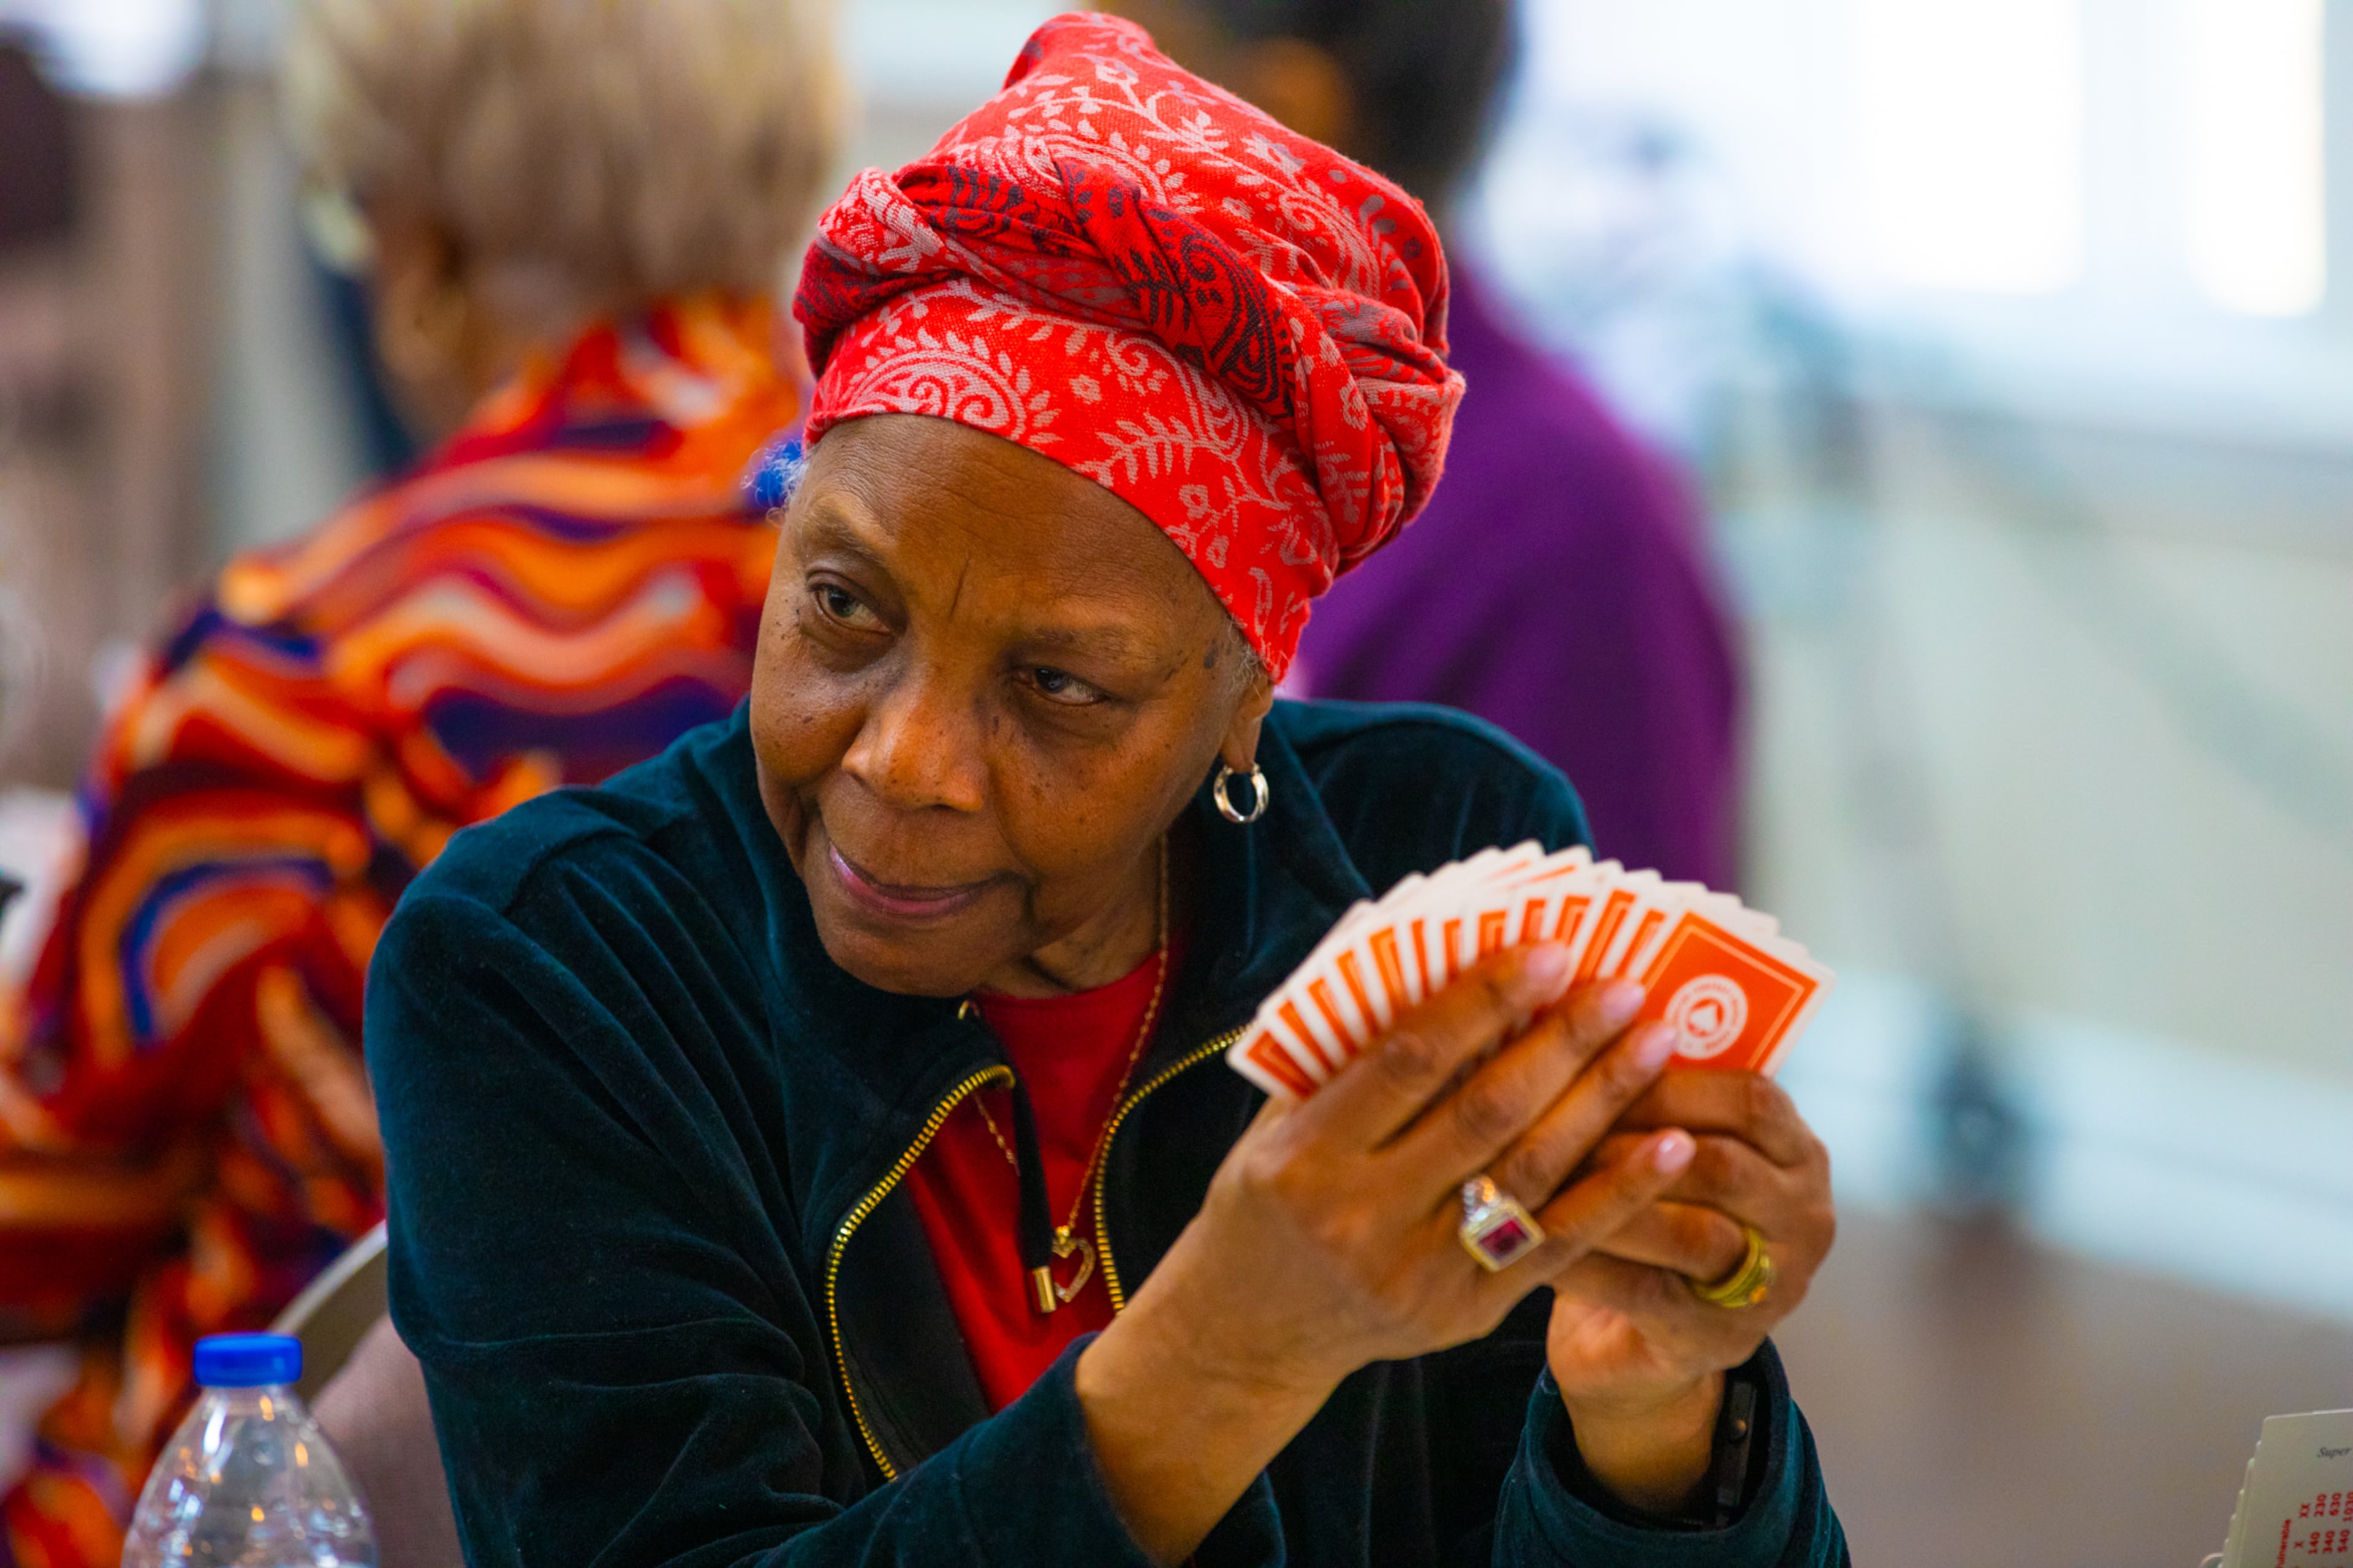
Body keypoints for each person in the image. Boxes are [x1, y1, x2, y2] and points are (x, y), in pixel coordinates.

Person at [368, 17, 1843, 1566]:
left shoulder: (1439, 851)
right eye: (845, 611)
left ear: (1243, 705)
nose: (901, 761)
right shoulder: (551, 967)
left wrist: (1655, 1423)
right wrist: (1226, 1350)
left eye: (1060, 689)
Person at [0, 1, 838, 1559]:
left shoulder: (323, 660)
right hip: (842, 1482)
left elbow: (31, 1221)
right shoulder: (928, 587)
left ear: (422, 246)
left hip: (343, 1504)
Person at [1106, 0, 1746, 892]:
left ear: (1275, 110)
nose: (1048, 122)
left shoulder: (1571, 526)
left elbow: (1612, 993)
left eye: (1105, 73)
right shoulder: (1123, 422)